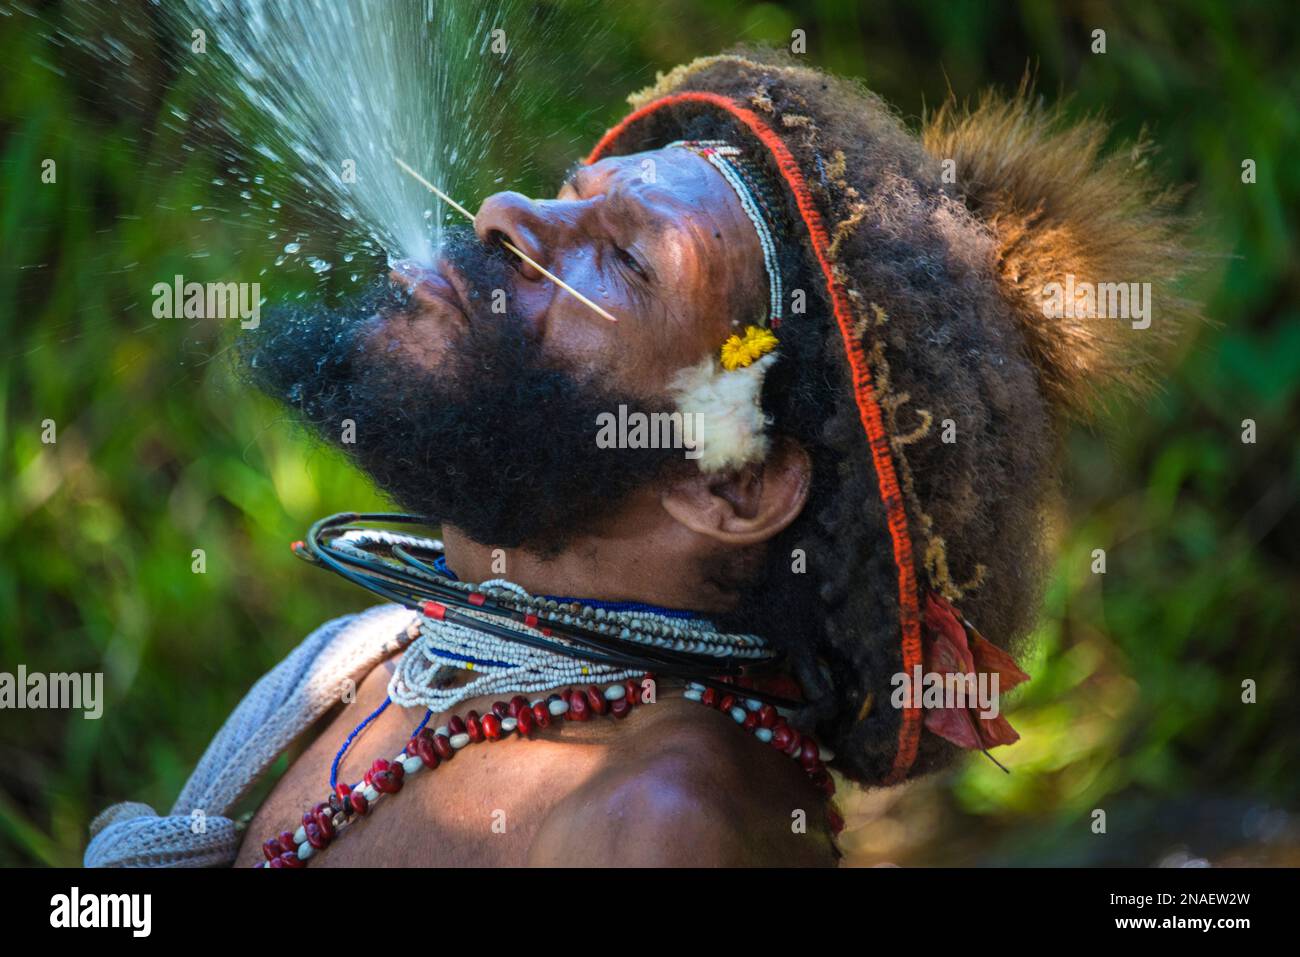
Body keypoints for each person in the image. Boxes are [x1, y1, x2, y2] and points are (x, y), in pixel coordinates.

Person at [85, 50, 1199, 868]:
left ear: (733, 480)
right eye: (573, 199)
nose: (501, 213)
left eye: (622, 260)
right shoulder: (388, 661)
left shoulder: (667, 825)